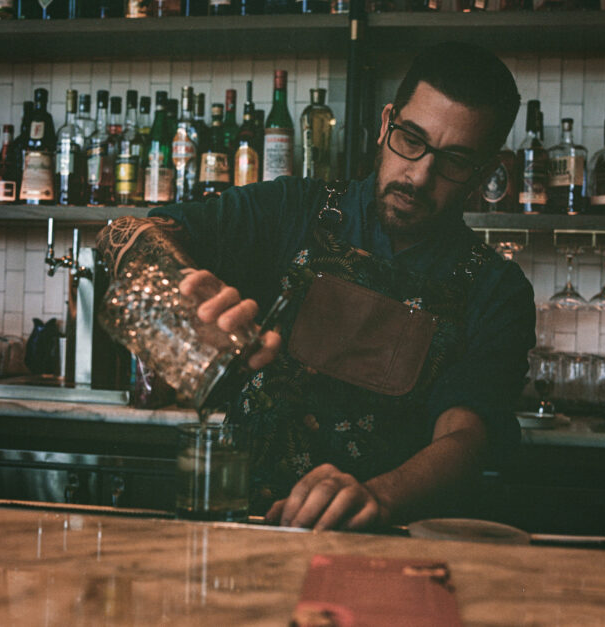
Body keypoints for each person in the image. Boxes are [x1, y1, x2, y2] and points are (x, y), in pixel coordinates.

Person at [96, 41, 536, 532]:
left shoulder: (496, 289)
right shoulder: (294, 210)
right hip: (246, 525)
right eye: (410, 138)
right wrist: (182, 287)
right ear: (387, 121)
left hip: (390, 545)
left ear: (486, 171)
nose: (419, 173)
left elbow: (465, 437)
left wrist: (377, 498)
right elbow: (126, 232)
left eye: (454, 160)